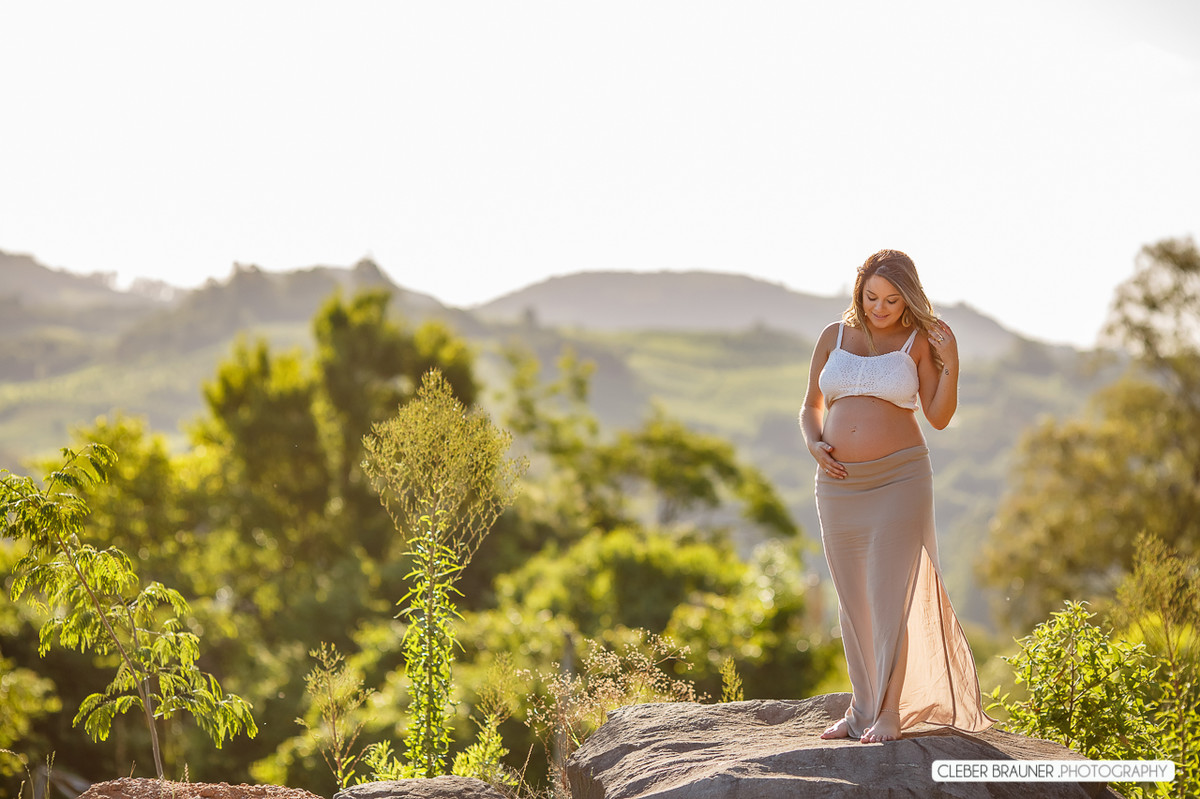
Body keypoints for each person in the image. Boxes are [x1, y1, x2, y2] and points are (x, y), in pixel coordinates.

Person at [799, 249, 994, 744]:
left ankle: (889, 713)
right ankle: (860, 708)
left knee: (890, 598)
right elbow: (810, 406)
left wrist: (950, 365)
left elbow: (939, 415)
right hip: (839, 482)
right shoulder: (833, 336)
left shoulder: (918, 341)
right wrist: (813, 442)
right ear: (858, 290)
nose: (880, 308)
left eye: (891, 299)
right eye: (871, 297)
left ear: (907, 298)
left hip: (900, 480)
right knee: (852, 600)